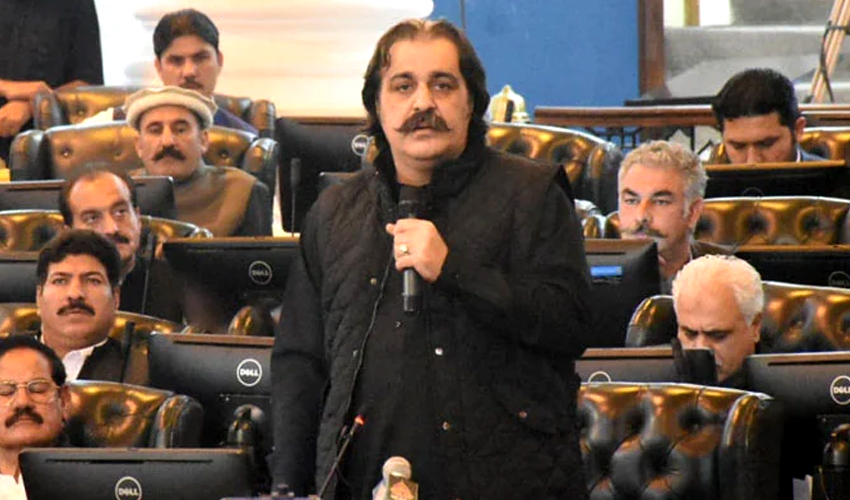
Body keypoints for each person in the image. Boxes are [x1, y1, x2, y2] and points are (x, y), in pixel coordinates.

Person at [272, 18, 590, 500]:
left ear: (471, 102)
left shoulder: (533, 194)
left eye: (442, 85)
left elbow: (571, 324)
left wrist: (455, 270)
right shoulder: (334, 212)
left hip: (506, 480)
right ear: (376, 105)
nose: (423, 103)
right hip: (361, 476)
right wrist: (287, 486)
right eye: (403, 86)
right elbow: (301, 359)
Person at [124, 86, 271, 237]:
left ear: (203, 140)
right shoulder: (120, 192)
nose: (167, 142)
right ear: (139, 146)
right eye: (155, 131)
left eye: (180, 130)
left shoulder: (243, 191)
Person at [86, 8, 257, 135]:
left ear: (219, 61)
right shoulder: (115, 121)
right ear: (158, 67)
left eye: (200, 58)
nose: (189, 72)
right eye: (176, 61)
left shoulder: (245, 138)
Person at [58, 167, 181, 321]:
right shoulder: (54, 291)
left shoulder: (180, 285)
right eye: (92, 218)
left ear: (137, 218)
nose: (112, 228)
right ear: (69, 233)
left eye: (120, 212)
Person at [618, 140, 730, 293]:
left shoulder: (726, 276)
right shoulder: (590, 273)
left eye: (661, 202)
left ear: (692, 212)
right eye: (631, 201)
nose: (641, 216)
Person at [0, 0, 103, 163]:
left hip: (51, 145)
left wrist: (34, 105)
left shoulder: (77, 4)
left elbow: (87, 83)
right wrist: (9, 88)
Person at [34, 229, 136, 384]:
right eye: (60, 281)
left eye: (92, 281)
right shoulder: (6, 358)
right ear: (39, 296)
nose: (75, 294)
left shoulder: (142, 372)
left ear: (115, 298)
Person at [672, 255, 762, 388]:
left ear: (755, 327)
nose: (700, 348)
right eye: (690, 334)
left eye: (717, 335)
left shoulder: (785, 389)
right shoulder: (653, 381)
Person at [0, 336, 68, 500]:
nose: (23, 402)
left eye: (38, 389)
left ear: (64, 400)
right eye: (5, 391)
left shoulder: (101, 478)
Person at [712, 68, 825, 164]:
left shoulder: (834, 180)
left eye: (766, 144)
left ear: (797, 130)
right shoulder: (707, 182)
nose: (752, 161)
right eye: (738, 146)